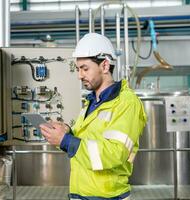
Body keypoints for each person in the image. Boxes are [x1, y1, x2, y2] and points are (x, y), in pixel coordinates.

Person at [40, 32, 147, 200]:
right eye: (78, 69)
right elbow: (84, 142)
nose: (79, 75)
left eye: (85, 68)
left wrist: (66, 140)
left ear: (105, 66)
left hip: (108, 196)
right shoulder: (91, 102)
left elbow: (115, 154)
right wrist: (66, 131)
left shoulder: (126, 102)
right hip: (81, 193)